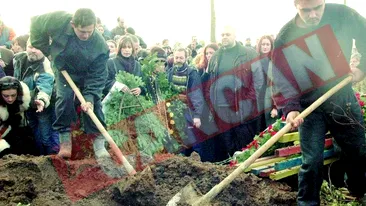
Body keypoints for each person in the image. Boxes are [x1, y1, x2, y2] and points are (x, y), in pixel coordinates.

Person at [272, 0, 366, 205]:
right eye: (306, 10)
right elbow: (281, 77)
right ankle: (307, 202)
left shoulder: (342, 14)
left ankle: (358, 191)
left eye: (318, 8)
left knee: (358, 149)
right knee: (312, 161)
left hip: (342, 98)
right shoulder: (286, 36)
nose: (313, 14)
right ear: (296, 6)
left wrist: (362, 67)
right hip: (310, 107)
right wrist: (290, 108)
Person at [29, 9, 123, 177]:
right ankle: (65, 140)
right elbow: (35, 22)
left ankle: (99, 144)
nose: (86, 35)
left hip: (88, 74)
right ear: (73, 24)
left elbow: (98, 75)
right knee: (64, 99)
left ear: (95, 26)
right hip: (64, 69)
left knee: (93, 106)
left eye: (90, 31)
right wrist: (47, 50)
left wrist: (89, 98)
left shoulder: (100, 46)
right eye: (82, 31)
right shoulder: (57, 19)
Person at [207, 26, 263, 162]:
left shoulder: (249, 54)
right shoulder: (216, 56)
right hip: (221, 108)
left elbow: (258, 80)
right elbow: (210, 81)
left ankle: (244, 173)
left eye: (228, 34)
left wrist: (248, 101)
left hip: (241, 108)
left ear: (235, 35)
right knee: (225, 142)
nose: (224, 37)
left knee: (242, 144)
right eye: (222, 34)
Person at [13, 40, 59, 155]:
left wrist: (42, 100)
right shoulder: (18, 59)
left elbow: (45, 85)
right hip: (27, 105)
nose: (33, 50)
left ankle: (51, 159)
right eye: (31, 46)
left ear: (44, 50)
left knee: (45, 136)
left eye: (37, 48)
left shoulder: (45, 66)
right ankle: (39, 159)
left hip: (43, 106)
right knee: (34, 132)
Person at [166, 48, 204, 158]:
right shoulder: (170, 72)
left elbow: (197, 96)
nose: (178, 60)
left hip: (188, 111)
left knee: (193, 138)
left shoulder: (192, 74)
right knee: (177, 138)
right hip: (173, 111)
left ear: (186, 58)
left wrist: (197, 115)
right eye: (176, 57)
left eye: (181, 58)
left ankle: (196, 160)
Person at [0, 76, 34, 158]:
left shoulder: (23, 99)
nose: (10, 99)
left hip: (16, 127)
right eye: (6, 96)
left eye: (13, 95)